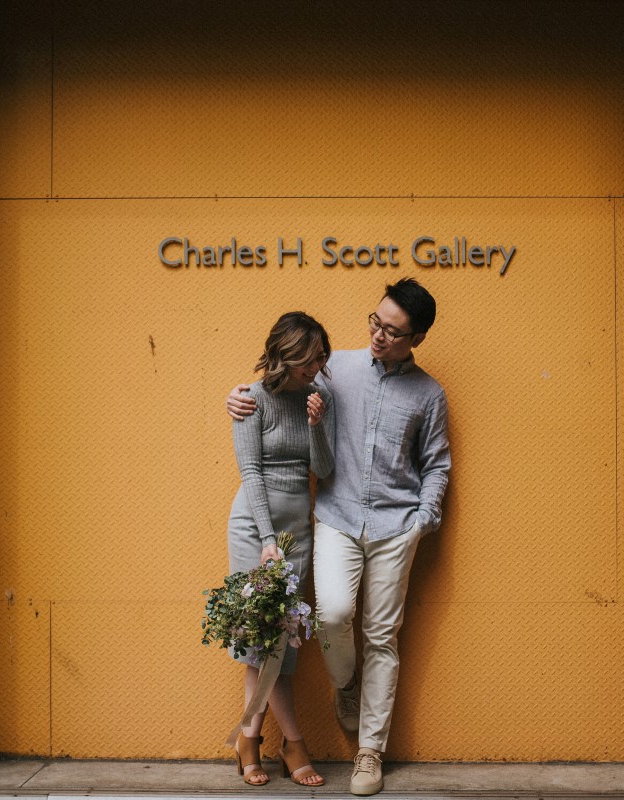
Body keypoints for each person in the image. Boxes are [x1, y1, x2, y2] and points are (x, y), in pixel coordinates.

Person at [228, 278, 450, 796]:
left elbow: (437, 465)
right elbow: (278, 385)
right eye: (376, 322)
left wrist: (423, 519)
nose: (378, 336)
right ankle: (345, 685)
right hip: (335, 519)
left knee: (382, 636)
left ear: (415, 338)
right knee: (329, 615)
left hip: (397, 524)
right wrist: (235, 397)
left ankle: (369, 752)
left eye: (393, 332)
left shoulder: (430, 393)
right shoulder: (333, 369)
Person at [226, 311, 335, 788]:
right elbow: (250, 473)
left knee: (278, 643)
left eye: (321, 359)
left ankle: (248, 740)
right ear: (286, 356)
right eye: (309, 360)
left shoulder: (318, 396)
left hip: (298, 530)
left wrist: (316, 425)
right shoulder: (252, 400)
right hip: (257, 528)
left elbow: (325, 471)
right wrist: (268, 541)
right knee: (265, 640)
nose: (317, 368)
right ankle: (294, 746)